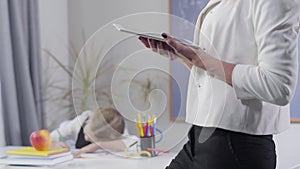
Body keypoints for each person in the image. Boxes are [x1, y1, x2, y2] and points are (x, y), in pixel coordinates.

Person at [139, 0, 300, 168]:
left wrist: (201, 60)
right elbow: (216, 75)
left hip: (235, 146)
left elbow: (278, 86)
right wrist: (181, 56)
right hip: (201, 138)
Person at [50, 107, 137, 157]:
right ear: (89, 121)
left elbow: (136, 144)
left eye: (92, 140)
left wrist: (98, 145)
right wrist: (54, 143)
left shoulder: (116, 133)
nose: (86, 138)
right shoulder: (80, 121)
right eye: (86, 133)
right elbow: (52, 137)